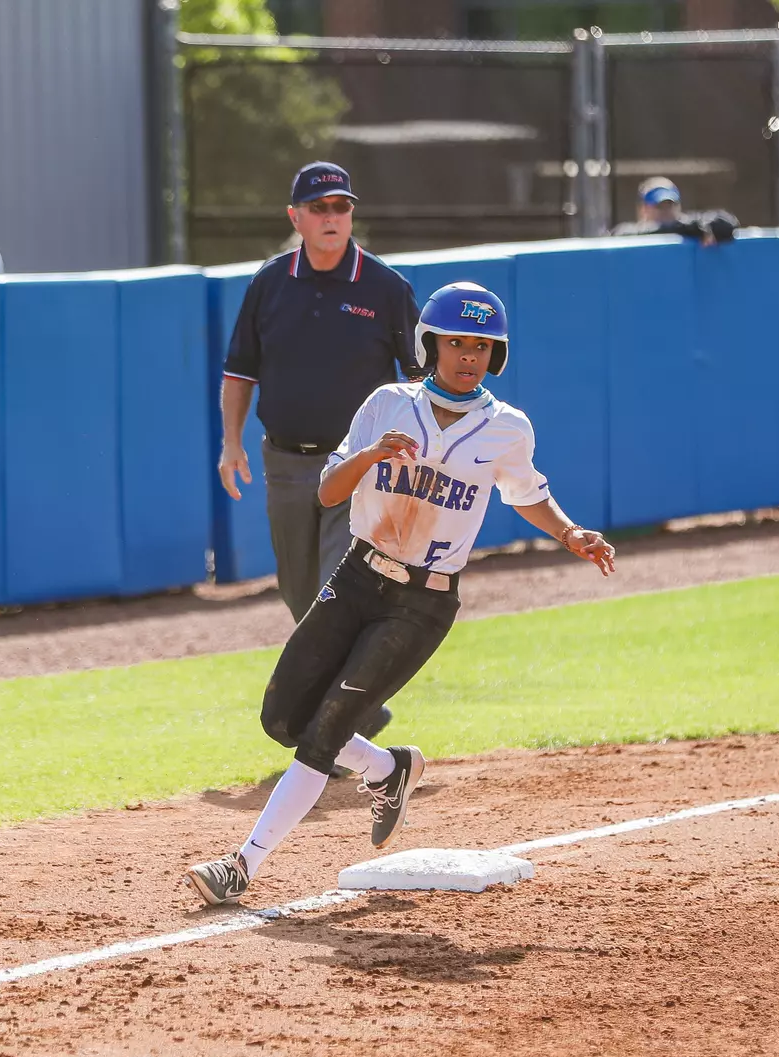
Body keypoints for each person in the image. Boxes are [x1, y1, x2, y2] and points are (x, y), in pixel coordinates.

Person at [184, 282, 616, 906]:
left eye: (481, 345)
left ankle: (242, 864)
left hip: (423, 602)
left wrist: (571, 531)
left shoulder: (506, 428)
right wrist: (370, 454)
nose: (467, 355)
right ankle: (390, 770)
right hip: (358, 576)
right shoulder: (387, 403)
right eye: (455, 342)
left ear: (495, 356)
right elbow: (330, 493)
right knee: (282, 718)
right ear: (430, 345)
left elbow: (527, 494)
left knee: (327, 726)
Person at [219, 161, 421, 746]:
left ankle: (338, 721)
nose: (332, 217)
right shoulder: (270, 282)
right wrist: (232, 443)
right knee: (299, 590)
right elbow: (239, 372)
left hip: (356, 465)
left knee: (336, 588)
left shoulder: (385, 287)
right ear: (296, 218)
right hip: (284, 460)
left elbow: (418, 379)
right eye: (320, 208)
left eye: (341, 207)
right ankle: (361, 706)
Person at [611, 176, 738, 246]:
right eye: (659, 206)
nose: (666, 211)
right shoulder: (629, 232)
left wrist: (706, 227)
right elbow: (618, 234)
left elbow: (728, 222)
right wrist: (683, 229)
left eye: (670, 205)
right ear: (643, 209)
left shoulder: (689, 225)